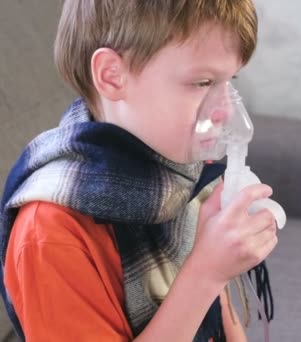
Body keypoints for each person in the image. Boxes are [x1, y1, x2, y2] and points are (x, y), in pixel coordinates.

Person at [0, 1, 278, 341]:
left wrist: (215, 269)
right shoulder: (51, 234)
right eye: (203, 82)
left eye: (229, 80)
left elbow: (217, 311)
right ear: (112, 75)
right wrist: (206, 272)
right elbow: (207, 282)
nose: (224, 111)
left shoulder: (179, 171)